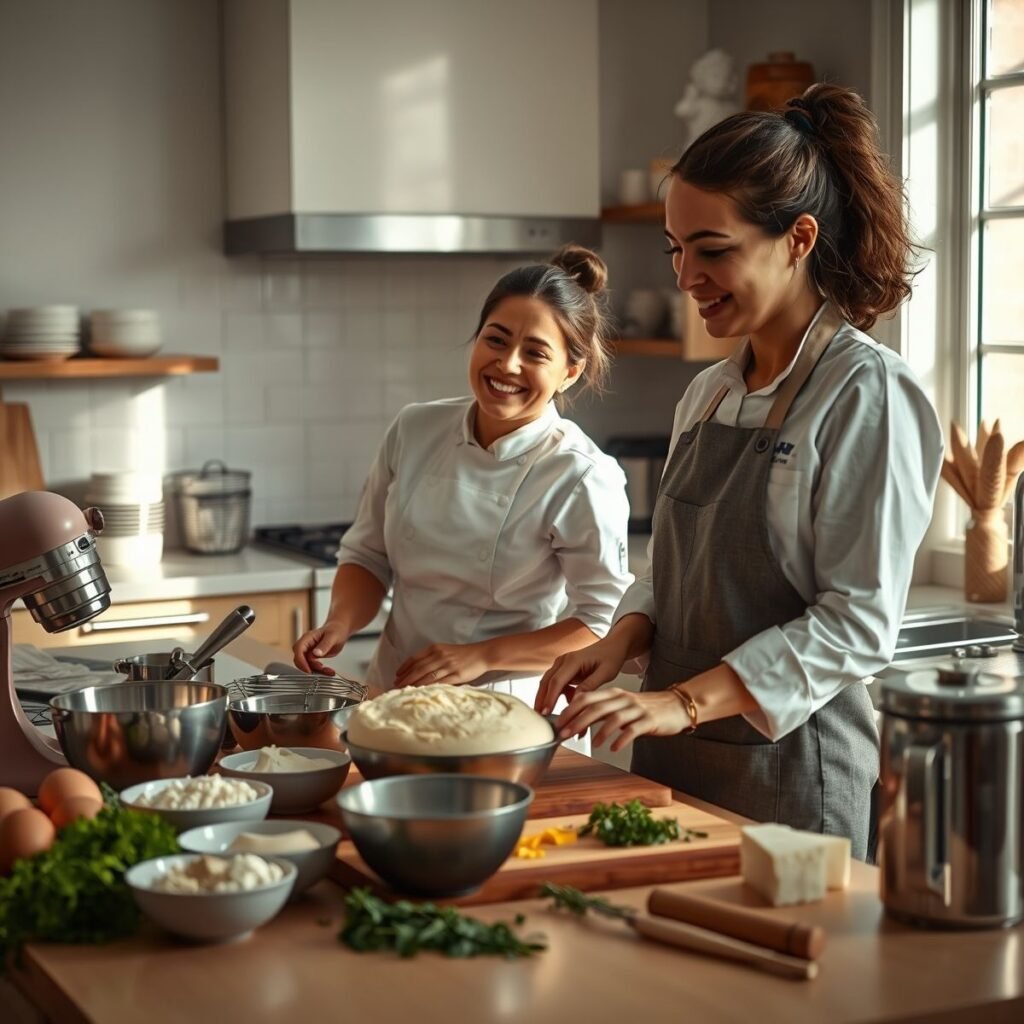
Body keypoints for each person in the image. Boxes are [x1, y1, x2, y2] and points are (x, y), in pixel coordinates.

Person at [536, 84, 944, 859]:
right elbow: (676, 573)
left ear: (798, 239)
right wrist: (620, 641)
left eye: (713, 249)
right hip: (672, 758)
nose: (686, 276)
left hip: (793, 779)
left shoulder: (868, 393)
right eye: (676, 249)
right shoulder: (711, 393)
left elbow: (857, 624)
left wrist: (685, 703)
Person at [293, 245, 631, 722]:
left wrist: (483, 656)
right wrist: (339, 623)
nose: (507, 364)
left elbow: (602, 622)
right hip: (394, 688)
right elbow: (368, 555)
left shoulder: (581, 473)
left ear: (569, 373)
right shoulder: (415, 428)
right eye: (496, 340)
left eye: (535, 353)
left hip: (507, 709)